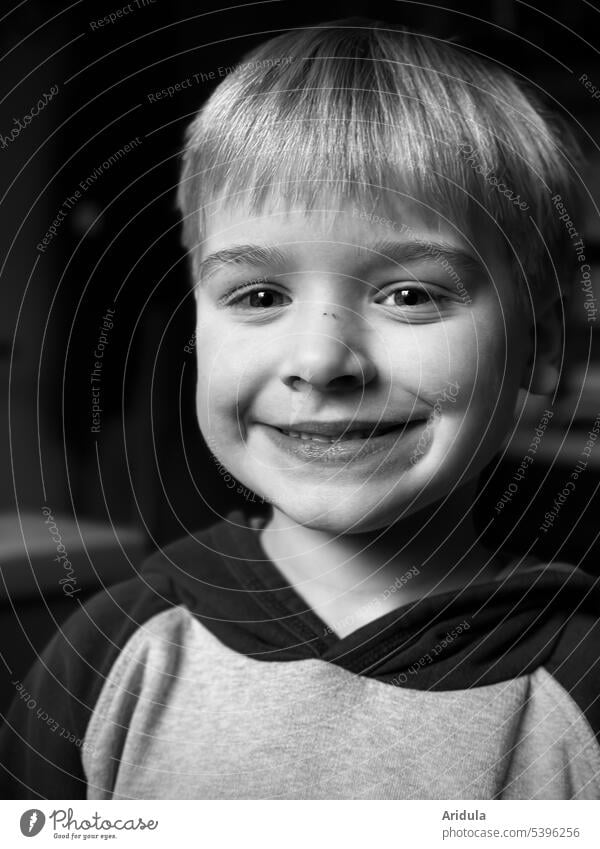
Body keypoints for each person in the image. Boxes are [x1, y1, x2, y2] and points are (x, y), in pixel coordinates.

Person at [2, 18, 599, 800]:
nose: (320, 361)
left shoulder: (579, 690)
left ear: (542, 349)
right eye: (259, 295)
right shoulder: (110, 656)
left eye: (411, 294)